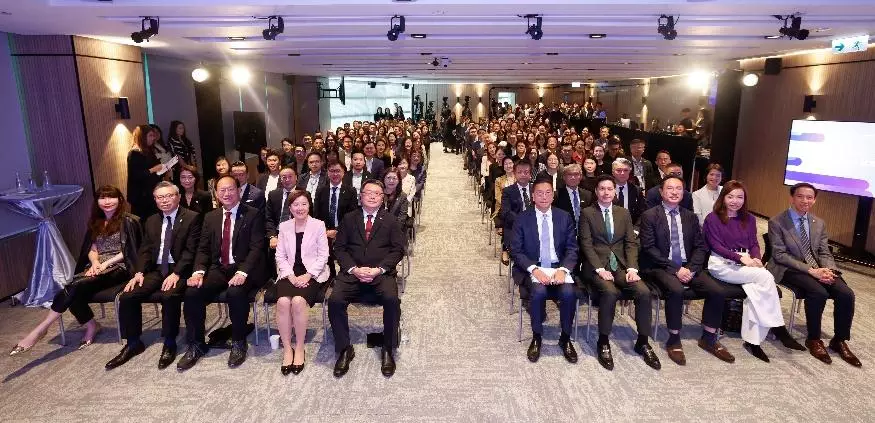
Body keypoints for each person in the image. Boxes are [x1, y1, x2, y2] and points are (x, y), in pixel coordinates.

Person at [11, 186, 142, 356]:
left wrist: (105, 264)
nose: (107, 201)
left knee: (73, 288)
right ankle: (91, 325)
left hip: (120, 266)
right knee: (72, 290)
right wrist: (95, 262)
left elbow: (129, 250)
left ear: (120, 200)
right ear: (97, 202)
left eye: (111, 197)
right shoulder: (96, 222)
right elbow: (92, 248)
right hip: (97, 266)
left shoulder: (130, 221)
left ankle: (40, 329)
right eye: (102, 198)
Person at [702, 180, 805, 362]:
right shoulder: (712, 218)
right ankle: (779, 328)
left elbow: (753, 244)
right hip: (722, 264)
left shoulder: (749, 219)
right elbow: (716, 246)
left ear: (745, 199)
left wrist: (756, 258)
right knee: (765, 277)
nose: (735, 201)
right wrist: (741, 259)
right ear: (723, 197)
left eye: (739, 197)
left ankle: (753, 341)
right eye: (730, 196)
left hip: (746, 263)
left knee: (756, 293)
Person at [638, 176, 734, 365]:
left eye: (679, 189)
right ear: (661, 192)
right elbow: (649, 249)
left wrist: (690, 268)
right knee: (676, 290)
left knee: (717, 291)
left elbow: (700, 246)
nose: (674, 192)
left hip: (688, 266)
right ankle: (674, 339)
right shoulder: (649, 216)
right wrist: (676, 269)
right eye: (670, 188)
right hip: (660, 266)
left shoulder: (690, 216)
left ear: (684, 193)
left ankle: (709, 337)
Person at [106, 182, 202, 370]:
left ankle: (170, 342)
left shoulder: (192, 218)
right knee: (128, 295)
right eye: (160, 197)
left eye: (169, 196)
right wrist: (139, 272)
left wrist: (177, 273)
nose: (164, 200)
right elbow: (146, 250)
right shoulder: (151, 220)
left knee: (169, 295)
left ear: (178, 197)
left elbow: (191, 251)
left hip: (180, 269)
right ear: (155, 200)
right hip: (157, 269)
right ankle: (133, 342)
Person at [177, 175, 266, 370]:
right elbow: (203, 249)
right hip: (219, 268)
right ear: (216, 194)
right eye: (222, 190)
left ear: (239, 191)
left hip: (245, 268)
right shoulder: (211, 217)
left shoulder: (253, 214)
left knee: (235, 292)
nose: (227, 193)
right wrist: (198, 272)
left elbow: (257, 248)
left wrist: (242, 272)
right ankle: (196, 344)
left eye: (231, 189)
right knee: (192, 292)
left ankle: (239, 341)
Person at [766, 183, 860, 367]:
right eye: (800, 196)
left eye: (809, 197)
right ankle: (814, 339)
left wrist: (829, 270)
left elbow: (824, 252)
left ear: (814, 200)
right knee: (818, 292)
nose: (805, 201)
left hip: (818, 268)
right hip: (788, 268)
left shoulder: (819, 223)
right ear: (792, 198)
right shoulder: (777, 222)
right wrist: (811, 271)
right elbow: (780, 255)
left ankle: (839, 340)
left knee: (846, 294)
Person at [579, 175, 660, 371]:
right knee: (610, 292)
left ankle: (643, 341)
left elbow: (630, 243)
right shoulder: (587, 213)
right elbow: (586, 244)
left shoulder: (623, 213)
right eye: (602, 189)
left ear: (615, 191)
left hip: (621, 266)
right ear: (596, 191)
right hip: (596, 266)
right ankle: (603, 341)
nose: (606, 192)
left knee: (643, 292)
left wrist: (632, 268)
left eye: (609, 189)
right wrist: (600, 269)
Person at [329, 180, 407, 378]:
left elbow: (398, 250)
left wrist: (379, 270)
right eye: (368, 192)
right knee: (335, 301)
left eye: (377, 193)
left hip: (380, 274)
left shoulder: (390, 220)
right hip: (352, 273)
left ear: (383, 198)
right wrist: (354, 269)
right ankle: (344, 348)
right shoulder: (349, 218)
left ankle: (388, 348)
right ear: (361, 196)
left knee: (392, 300)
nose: (372, 196)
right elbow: (339, 248)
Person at [510, 179, 579, 364]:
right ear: (533, 196)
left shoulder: (564, 217)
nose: (544, 197)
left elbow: (572, 248)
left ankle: (565, 338)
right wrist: (534, 269)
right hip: (533, 267)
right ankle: (537, 337)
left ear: (553, 195)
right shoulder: (522, 218)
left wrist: (563, 270)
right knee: (539, 291)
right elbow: (516, 250)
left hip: (558, 267)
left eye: (548, 192)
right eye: (539, 193)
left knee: (568, 293)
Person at [274, 190, 331, 375]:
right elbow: (280, 256)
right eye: (296, 204)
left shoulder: (318, 225)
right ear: (290, 208)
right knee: (283, 302)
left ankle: (299, 347)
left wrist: (309, 275)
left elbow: (323, 256)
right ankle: (287, 348)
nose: (300, 208)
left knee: (298, 301)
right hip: (289, 272)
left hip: (313, 273)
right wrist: (290, 275)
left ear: (309, 205)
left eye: (304, 204)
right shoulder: (284, 226)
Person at [314, 161, 359, 278]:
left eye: (338, 171)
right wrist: (324, 231)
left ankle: (345, 277)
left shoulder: (350, 191)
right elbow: (316, 214)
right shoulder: (321, 191)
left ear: (343, 173)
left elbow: (353, 215)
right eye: (332, 171)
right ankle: (330, 278)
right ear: (328, 173)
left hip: (344, 230)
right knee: (325, 255)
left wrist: (338, 231)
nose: (335, 174)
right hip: (324, 231)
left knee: (345, 255)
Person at [500, 160, 534, 265]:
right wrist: (523, 221)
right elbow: (505, 213)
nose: (523, 175)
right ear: (514, 173)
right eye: (519, 172)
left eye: (526, 172)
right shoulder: (508, 191)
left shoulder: (536, 189)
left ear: (530, 174)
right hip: (515, 229)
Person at [127, 124, 164, 219]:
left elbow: (156, 165)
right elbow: (136, 175)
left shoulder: (148, 150)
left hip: (151, 191)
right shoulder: (134, 153)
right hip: (141, 195)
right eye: (150, 135)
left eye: (153, 135)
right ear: (143, 137)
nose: (153, 138)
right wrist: (153, 169)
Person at [266, 166, 300, 250]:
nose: (287, 180)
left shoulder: (304, 194)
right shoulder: (273, 195)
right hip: (277, 234)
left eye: (290, 176)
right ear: (280, 179)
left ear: (296, 177)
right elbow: (268, 218)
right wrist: (272, 236)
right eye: (284, 177)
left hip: (297, 233)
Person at [611, 158, 646, 224]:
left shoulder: (636, 190)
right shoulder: (605, 189)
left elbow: (642, 212)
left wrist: (636, 228)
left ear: (629, 172)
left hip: (631, 227)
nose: (622, 173)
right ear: (613, 172)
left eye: (626, 170)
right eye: (618, 170)